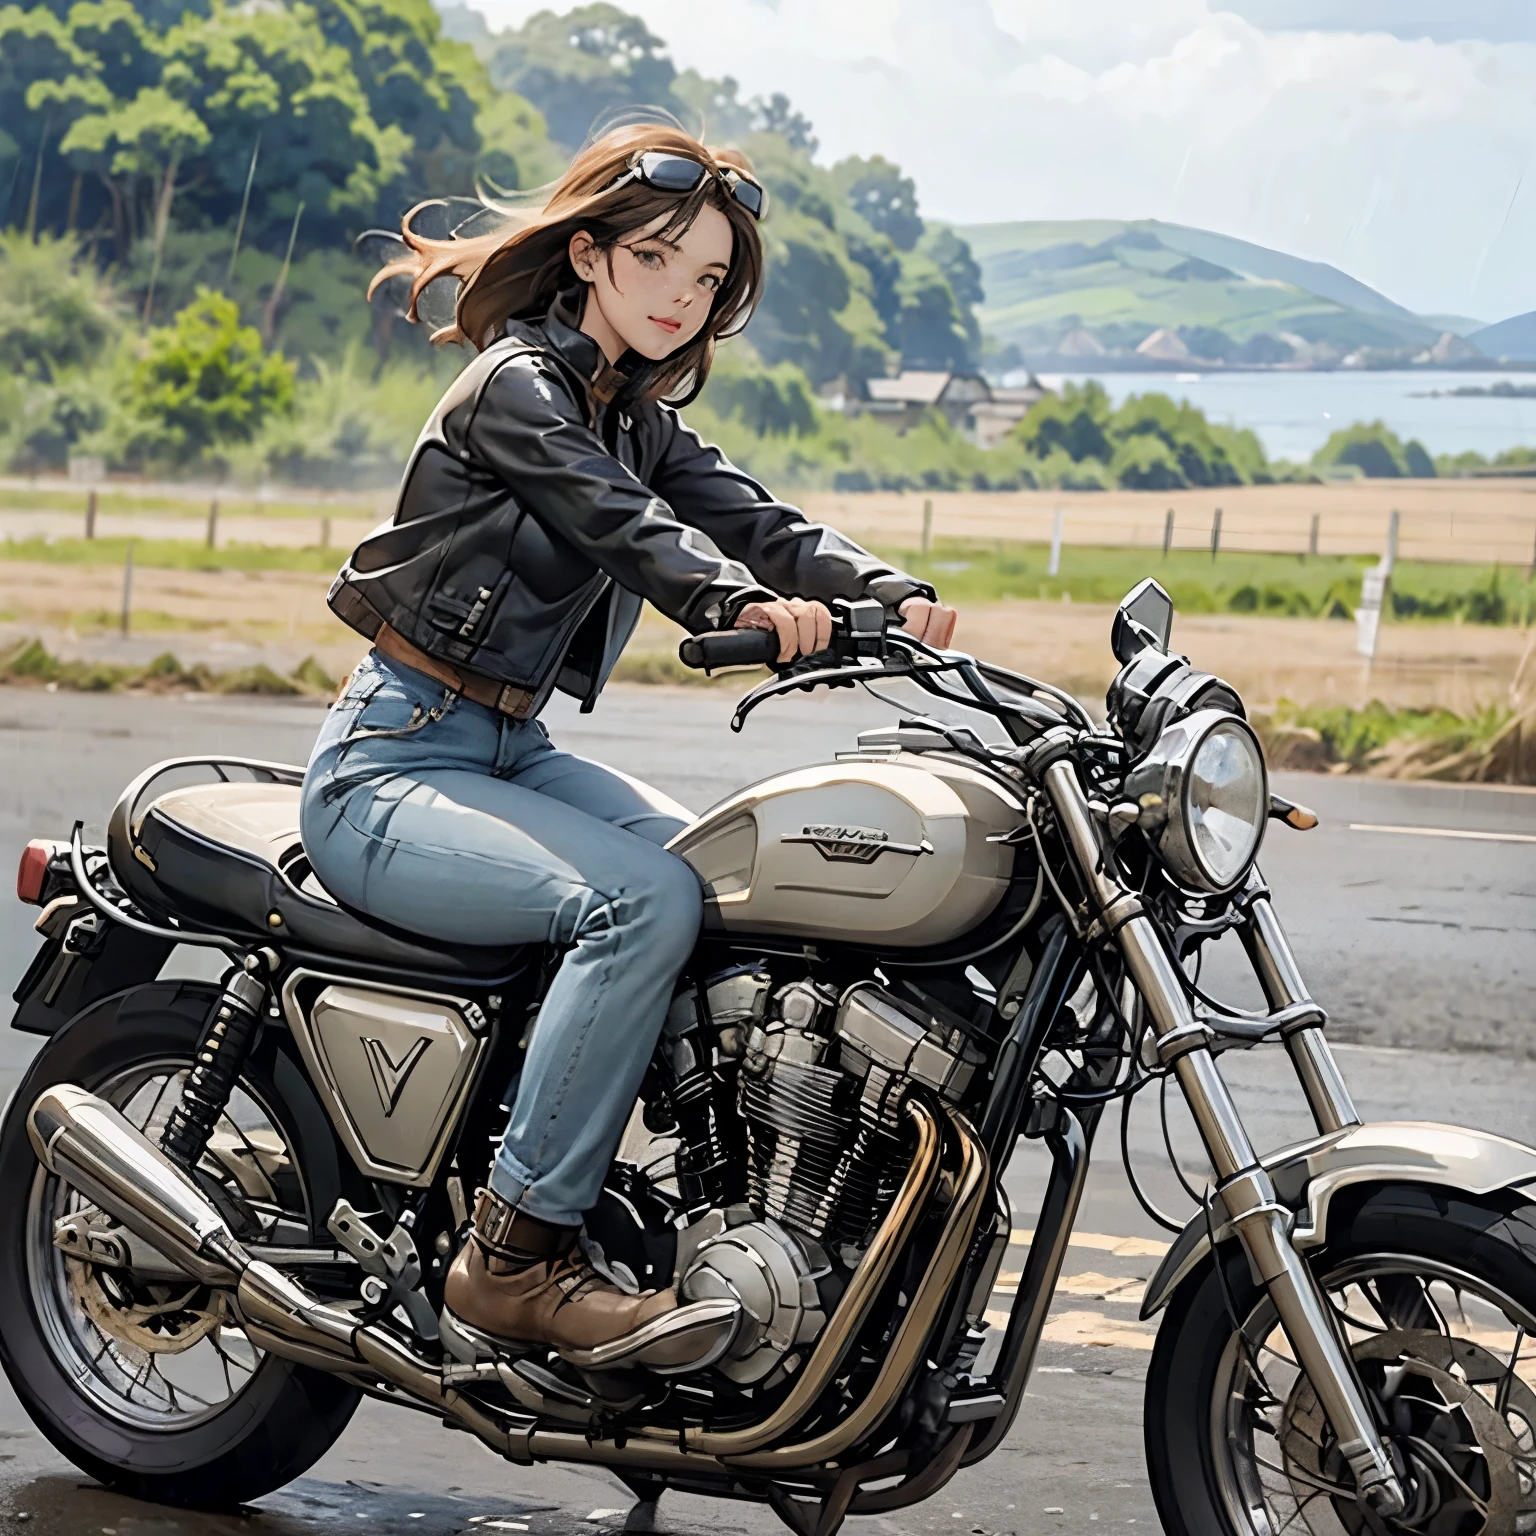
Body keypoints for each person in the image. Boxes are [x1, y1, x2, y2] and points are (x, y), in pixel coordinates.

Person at [300, 121, 957, 1368]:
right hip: (391, 761)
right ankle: (515, 1259)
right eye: (659, 260)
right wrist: (731, 608)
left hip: (508, 751)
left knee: (717, 880)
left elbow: (750, 513)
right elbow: (634, 530)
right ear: (591, 255)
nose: (682, 295)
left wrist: (889, 590)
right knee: (639, 902)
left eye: (706, 280)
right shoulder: (518, 390)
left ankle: (683, 1208)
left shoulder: (634, 415)